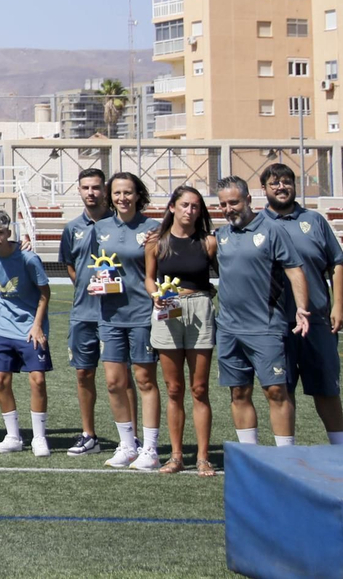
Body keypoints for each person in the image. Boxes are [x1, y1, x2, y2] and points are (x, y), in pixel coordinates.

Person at [213, 176, 312, 451]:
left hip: (266, 327)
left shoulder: (272, 230)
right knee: (238, 391)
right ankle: (250, 454)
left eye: (233, 202)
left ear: (248, 200)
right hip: (229, 330)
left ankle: (286, 456)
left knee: (276, 391)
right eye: (223, 204)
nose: (228, 208)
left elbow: (294, 269)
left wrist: (302, 308)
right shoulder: (221, 235)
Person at [257, 163, 343, 446]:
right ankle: (287, 455)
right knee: (280, 389)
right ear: (264, 190)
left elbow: (336, 263)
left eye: (286, 181)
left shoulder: (315, 220)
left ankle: (341, 448)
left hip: (318, 320)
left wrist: (338, 306)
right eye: (274, 183)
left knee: (326, 387)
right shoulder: (256, 225)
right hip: (274, 324)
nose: (281, 187)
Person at [87, 172, 162, 470]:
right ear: (110, 196)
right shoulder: (101, 227)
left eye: (128, 192)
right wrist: (98, 283)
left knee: (144, 380)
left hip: (142, 315)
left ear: (137, 194)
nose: (122, 198)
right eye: (117, 193)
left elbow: (154, 274)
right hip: (110, 315)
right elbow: (98, 267)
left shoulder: (152, 228)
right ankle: (127, 445)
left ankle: (151, 449)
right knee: (114, 383)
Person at [144, 186, 217, 475]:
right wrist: (154, 295)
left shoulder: (209, 242)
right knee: (174, 389)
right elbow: (149, 278)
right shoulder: (156, 242)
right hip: (167, 309)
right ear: (172, 207)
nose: (190, 211)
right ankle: (176, 456)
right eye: (185, 205)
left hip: (199, 307)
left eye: (196, 206)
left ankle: (202, 457)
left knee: (199, 389)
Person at [0, 210, 51, 456]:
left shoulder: (28, 259)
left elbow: (44, 293)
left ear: (9, 232)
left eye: (0, 233)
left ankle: (39, 437)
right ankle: (13, 436)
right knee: (0, 380)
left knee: (37, 379)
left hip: (30, 327)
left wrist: (37, 325)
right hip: (1, 327)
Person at [57, 167, 114, 457]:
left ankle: (130, 439)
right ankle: (89, 434)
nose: (91, 192)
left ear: (105, 190)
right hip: (82, 313)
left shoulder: (118, 224)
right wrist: (84, 286)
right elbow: (69, 264)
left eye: (95, 187)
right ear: (79, 191)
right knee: (83, 373)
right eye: (85, 188)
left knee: (121, 378)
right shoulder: (72, 228)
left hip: (116, 314)